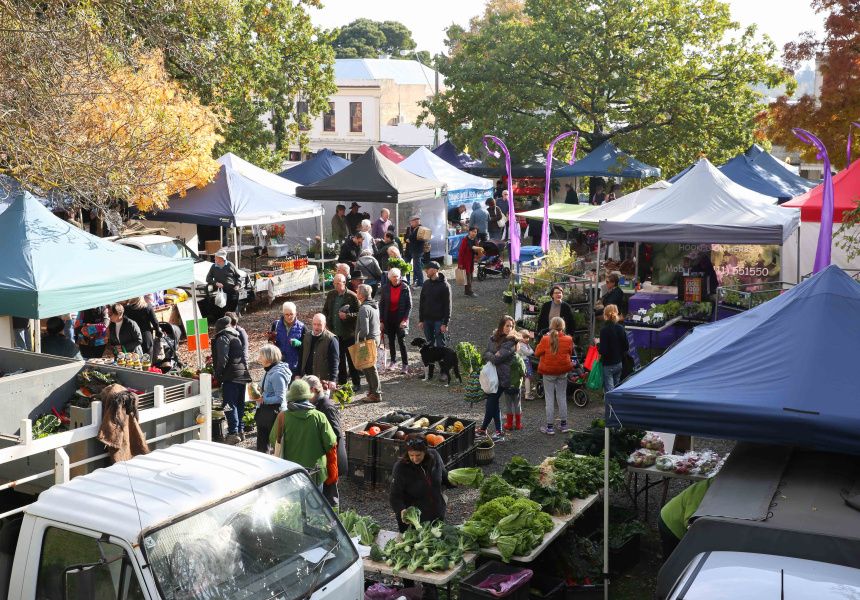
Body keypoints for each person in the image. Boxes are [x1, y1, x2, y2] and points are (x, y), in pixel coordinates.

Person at [269, 379, 337, 488]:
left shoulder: (282, 417)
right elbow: (331, 442)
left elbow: (273, 440)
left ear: (291, 397)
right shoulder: (319, 416)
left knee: (294, 503)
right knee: (316, 504)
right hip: (316, 472)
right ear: (308, 396)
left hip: (291, 471)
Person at [389, 434, 452, 533]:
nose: (415, 459)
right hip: (415, 520)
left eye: (418, 455)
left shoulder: (434, 456)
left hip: (437, 513)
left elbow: (444, 477)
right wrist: (401, 510)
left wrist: (455, 482)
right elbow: (394, 496)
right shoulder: (400, 468)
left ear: (425, 451)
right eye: (411, 455)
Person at [477, 315, 520, 441]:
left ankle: (484, 429)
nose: (509, 328)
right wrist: (491, 354)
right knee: (493, 403)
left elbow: (496, 358)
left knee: (491, 403)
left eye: (511, 326)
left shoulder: (512, 342)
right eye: (507, 325)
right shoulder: (494, 337)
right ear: (501, 326)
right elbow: (486, 353)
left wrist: (490, 354)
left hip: (502, 378)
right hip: (492, 377)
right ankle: (498, 431)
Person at [305, 375, 345, 506]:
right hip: (323, 454)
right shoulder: (317, 404)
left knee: (330, 492)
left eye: (306, 392)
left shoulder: (327, 406)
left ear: (314, 390)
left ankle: (334, 521)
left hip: (330, 455)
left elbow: (336, 434)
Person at [212, 316, 251, 444]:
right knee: (239, 404)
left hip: (231, 377)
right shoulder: (236, 336)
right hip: (242, 375)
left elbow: (222, 358)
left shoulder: (223, 337)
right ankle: (240, 431)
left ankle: (232, 433)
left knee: (228, 405)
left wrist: (218, 375)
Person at [534, 316, 574, 435]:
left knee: (549, 398)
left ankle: (550, 427)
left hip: (548, 372)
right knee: (561, 397)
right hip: (563, 370)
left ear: (551, 326)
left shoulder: (545, 339)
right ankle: (563, 424)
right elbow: (570, 352)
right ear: (563, 326)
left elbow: (537, 353)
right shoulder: (568, 339)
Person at [323, 274, 362, 391]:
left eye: (337, 283)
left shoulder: (352, 296)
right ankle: (343, 382)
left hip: (348, 334)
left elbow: (360, 313)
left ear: (344, 283)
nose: (335, 285)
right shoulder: (331, 295)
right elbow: (325, 310)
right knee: (339, 359)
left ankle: (356, 383)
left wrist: (348, 316)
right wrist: (325, 323)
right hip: (335, 333)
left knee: (351, 360)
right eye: (334, 283)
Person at [659, 479, 713, 558]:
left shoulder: (714, 482)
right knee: (673, 557)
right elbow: (691, 522)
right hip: (669, 522)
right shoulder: (702, 492)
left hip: (676, 516)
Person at [254, 344, 290, 453]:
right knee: (262, 444)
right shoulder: (269, 370)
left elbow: (280, 398)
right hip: (265, 412)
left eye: (261, 356)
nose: (258, 359)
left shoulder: (277, 374)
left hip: (274, 414)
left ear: (269, 358)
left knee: (276, 445)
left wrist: (263, 400)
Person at [378, 268, 411, 372]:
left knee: (402, 341)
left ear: (400, 276)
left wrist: (405, 320)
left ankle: (405, 364)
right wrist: (381, 321)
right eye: (394, 277)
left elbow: (409, 306)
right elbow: (382, 305)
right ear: (389, 278)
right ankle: (393, 361)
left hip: (401, 318)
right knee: (391, 341)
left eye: (397, 276)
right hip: (389, 318)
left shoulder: (405, 287)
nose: (396, 278)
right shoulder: (385, 288)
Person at [356, 284, 382, 403]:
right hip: (375, 338)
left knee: (370, 368)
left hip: (367, 340)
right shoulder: (374, 306)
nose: (356, 293)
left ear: (361, 295)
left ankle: (376, 394)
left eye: (357, 291)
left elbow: (364, 330)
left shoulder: (364, 308)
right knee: (369, 367)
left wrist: (357, 338)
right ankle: (372, 392)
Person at [298, 313, 339, 387]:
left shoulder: (331, 339)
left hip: (323, 381)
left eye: (319, 325)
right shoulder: (306, 336)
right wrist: (298, 374)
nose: (316, 327)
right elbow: (301, 356)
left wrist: (333, 379)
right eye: (314, 324)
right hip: (306, 378)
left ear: (325, 324)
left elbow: (334, 361)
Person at [418, 261, 451, 348]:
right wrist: (421, 320)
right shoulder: (426, 284)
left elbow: (448, 306)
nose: (425, 271)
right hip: (427, 320)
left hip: (439, 321)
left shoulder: (445, 286)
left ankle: (442, 361)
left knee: (440, 345)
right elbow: (422, 303)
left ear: (435, 270)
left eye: (427, 269)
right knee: (429, 344)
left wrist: (445, 323)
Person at [268, 302, 305, 375]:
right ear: (283, 314)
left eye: (291, 314)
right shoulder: (276, 325)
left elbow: (307, 347)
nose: (289, 317)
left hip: (294, 366)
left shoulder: (302, 327)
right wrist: (271, 342)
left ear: (295, 313)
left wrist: (299, 344)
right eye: (286, 314)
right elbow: (270, 343)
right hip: (278, 365)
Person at [598, 304, 628, 393]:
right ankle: (617, 406)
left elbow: (604, 350)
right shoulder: (621, 328)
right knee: (616, 387)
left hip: (608, 364)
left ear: (605, 315)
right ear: (617, 313)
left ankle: (610, 406)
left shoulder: (604, 330)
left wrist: (598, 344)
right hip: (619, 363)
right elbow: (626, 346)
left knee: (609, 391)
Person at [206, 249, 242, 319]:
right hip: (221, 292)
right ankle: (225, 323)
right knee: (222, 310)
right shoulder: (214, 267)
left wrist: (238, 285)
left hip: (232, 291)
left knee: (232, 310)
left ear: (221, 258)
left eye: (216, 257)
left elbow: (238, 276)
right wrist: (216, 283)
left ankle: (233, 323)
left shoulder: (230, 265)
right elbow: (208, 279)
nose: (214, 258)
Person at [457, 226, 480, 298]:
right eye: (472, 231)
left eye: (475, 232)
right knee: (468, 276)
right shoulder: (465, 240)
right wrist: (460, 263)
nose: (474, 233)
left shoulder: (475, 240)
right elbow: (461, 252)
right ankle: (469, 292)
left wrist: (478, 255)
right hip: (465, 261)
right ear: (469, 232)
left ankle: (467, 291)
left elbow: (477, 251)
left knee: (470, 276)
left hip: (471, 261)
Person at [404, 215, 424, 286]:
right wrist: (408, 239)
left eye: (417, 221)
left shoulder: (421, 229)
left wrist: (410, 239)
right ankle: (407, 281)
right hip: (408, 250)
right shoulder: (409, 229)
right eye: (411, 221)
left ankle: (420, 282)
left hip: (417, 250)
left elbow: (419, 239)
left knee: (417, 267)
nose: (411, 223)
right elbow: (406, 237)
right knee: (406, 266)